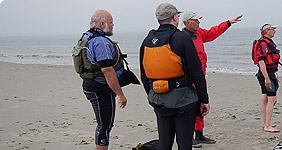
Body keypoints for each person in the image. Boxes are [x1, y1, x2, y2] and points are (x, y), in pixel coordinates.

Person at [139, 3, 210, 150]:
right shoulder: (182, 38)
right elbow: (197, 72)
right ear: (174, 17)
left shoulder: (147, 41)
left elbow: (144, 74)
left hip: (159, 99)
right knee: (184, 144)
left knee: (164, 143)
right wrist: (204, 99)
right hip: (184, 100)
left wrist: (152, 94)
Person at [181, 11, 242, 147]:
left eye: (198, 20)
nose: (198, 22)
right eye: (195, 20)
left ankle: (200, 134)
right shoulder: (181, 37)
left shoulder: (199, 33)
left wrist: (227, 23)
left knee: (201, 106)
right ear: (187, 22)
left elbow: (213, 33)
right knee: (189, 108)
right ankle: (188, 137)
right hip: (188, 79)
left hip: (200, 77)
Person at [75, 10, 128, 150]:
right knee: (105, 125)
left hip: (91, 85)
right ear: (102, 23)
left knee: (104, 123)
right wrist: (120, 94)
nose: (113, 25)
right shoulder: (100, 41)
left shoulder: (87, 36)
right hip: (99, 88)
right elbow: (107, 70)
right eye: (111, 22)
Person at [252, 23, 281, 132]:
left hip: (266, 72)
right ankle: (267, 126)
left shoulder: (265, 42)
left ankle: (266, 123)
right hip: (266, 73)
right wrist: (267, 78)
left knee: (265, 97)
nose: (274, 31)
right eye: (272, 29)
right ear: (266, 31)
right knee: (272, 99)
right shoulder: (263, 44)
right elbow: (261, 61)